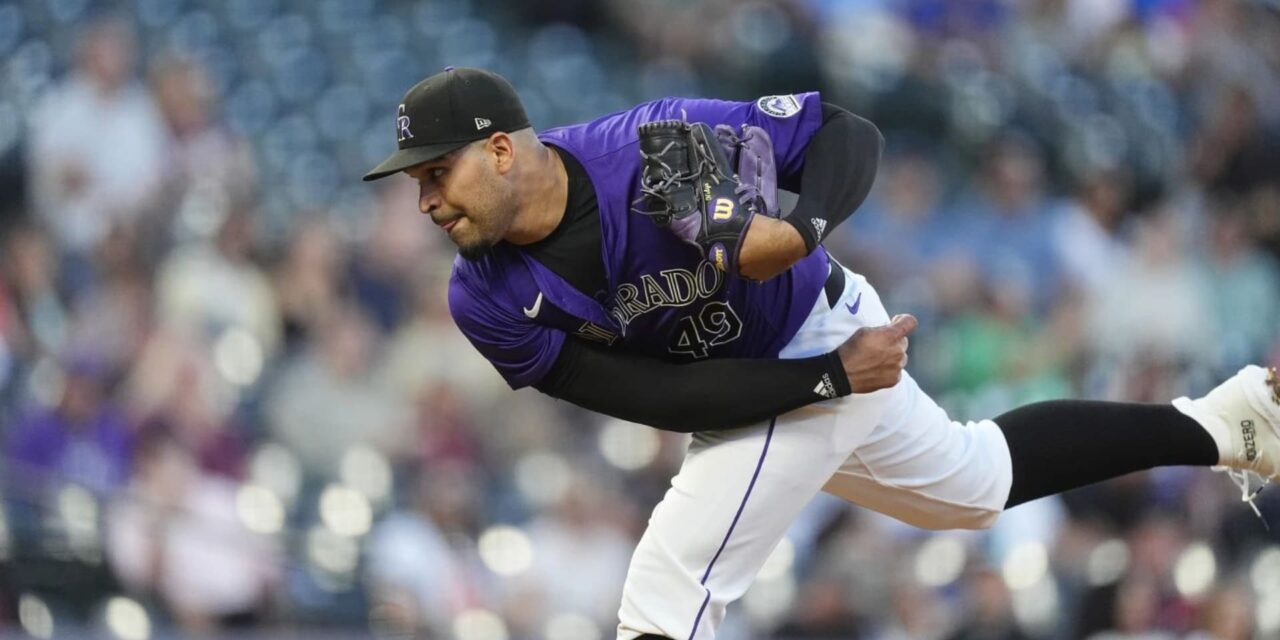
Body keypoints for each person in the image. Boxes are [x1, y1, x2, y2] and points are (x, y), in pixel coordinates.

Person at [362, 67, 1280, 640]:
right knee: (972, 485)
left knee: (665, 594)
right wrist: (832, 382)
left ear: (501, 152)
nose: (425, 202)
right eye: (415, 182)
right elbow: (653, 396)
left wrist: (799, 229)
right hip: (792, 373)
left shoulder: (645, 148)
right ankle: (1226, 421)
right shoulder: (479, 295)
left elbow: (848, 134)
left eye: (436, 173)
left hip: (818, 327)